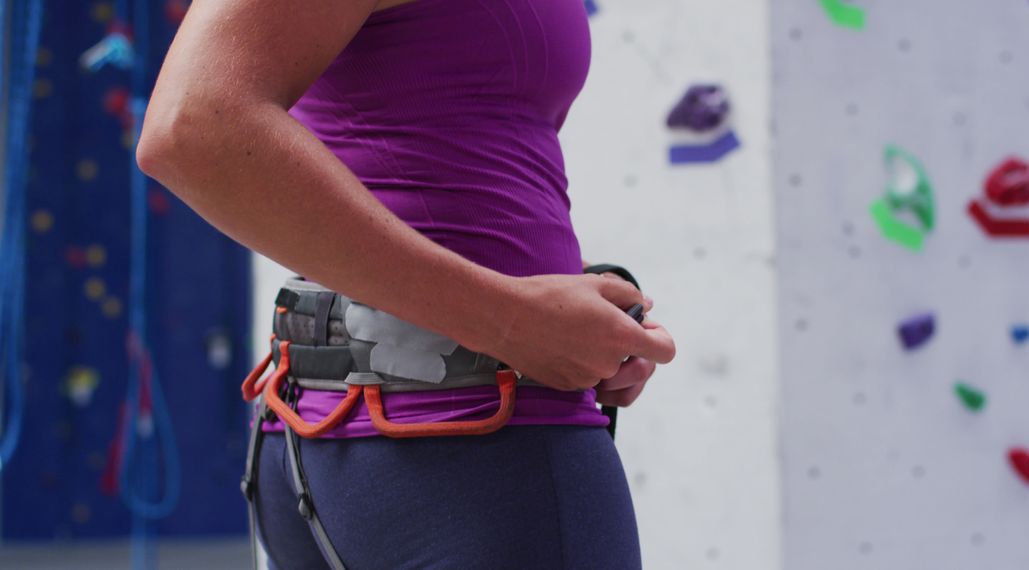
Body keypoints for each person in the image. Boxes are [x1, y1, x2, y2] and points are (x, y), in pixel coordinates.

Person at [136, 0, 677, 567]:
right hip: (470, 451)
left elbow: (441, 150)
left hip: (370, 443)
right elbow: (195, 125)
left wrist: (569, 310)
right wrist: (516, 319)